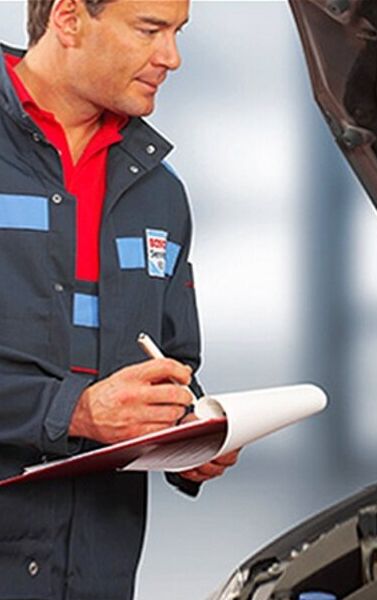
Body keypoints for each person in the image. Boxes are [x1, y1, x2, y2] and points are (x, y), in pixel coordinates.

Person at [0, 0, 238, 597]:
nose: (171, 57)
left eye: (177, 32)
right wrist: (73, 412)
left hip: (94, 571)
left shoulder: (159, 192)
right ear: (69, 18)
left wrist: (187, 428)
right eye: (150, 29)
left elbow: (172, 357)